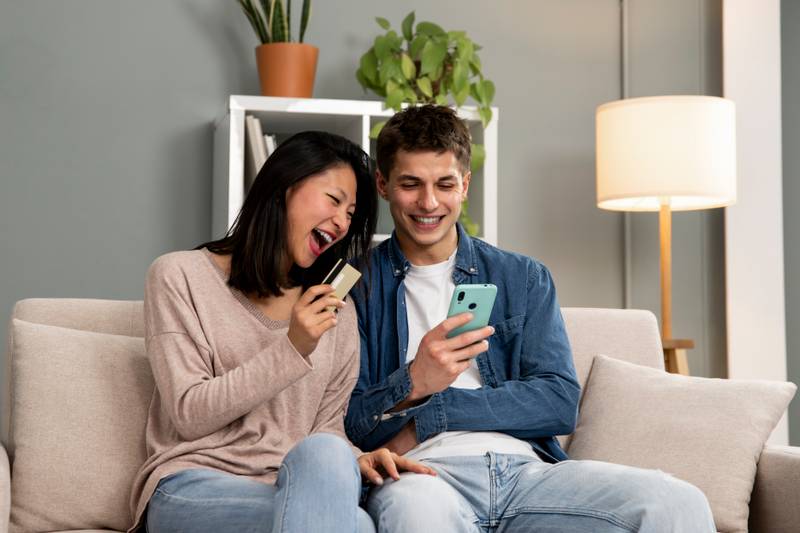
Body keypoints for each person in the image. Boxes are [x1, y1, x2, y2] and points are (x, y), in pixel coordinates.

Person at [345, 106, 716, 532]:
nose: (429, 203)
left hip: (525, 472)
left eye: (444, 184)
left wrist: (436, 411)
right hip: (422, 476)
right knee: (415, 513)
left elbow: (558, 401)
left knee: (677, 502)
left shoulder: (521, 277)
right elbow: (349, 420)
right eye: (411, 184)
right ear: (383, 184)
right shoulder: (357, 286)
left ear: (464, 185)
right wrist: (414, 380)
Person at [128, 131, 435, 533]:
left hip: (290, 484)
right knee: (353, 525)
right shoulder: (179, 276)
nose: (342, 222)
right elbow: (189, 414)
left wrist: (357, 457)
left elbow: (325, 430)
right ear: (284, 187)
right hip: (192, 485)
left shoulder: (334, 312)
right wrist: (293, 347)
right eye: (334, 200)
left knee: (330, 460)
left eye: (351, 213)